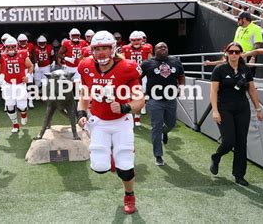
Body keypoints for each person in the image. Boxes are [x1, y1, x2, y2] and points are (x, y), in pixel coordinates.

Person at [77, 30, 144, 215]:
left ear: (113, 48)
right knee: (100, 167)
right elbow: (84, 93)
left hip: (121, 121)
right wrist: (81, 112)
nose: (101, 52)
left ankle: (129, 195)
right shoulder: (86, 66)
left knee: (125, 169)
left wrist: (125, 107)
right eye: (97, 48)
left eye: (105, 48)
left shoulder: (127, 67)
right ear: (92, 50)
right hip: (98, 121)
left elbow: (140, 101)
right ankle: (111, 157)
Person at [210, 42, 263, 186]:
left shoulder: (245, 69)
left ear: (240, 54)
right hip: (224, 108)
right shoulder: (219, 69)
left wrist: (258, 109)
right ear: (226, 52)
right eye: (231, 52)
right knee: (228, 142)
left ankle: (239, 174)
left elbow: (252, 90)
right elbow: (213, 91)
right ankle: (216, 157)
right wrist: (215, 110)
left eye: (237, 52)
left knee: (241, 142)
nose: (234, 54)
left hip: (242, 108)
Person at [140, 42, 185, 166]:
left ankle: (165, 132)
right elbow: (137, 76)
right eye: (160, 47)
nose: (163, 48)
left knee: (171, 124)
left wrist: (182, 87)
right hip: (154, 100)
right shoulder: (147, 63)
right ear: (155, 50)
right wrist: (139, 90)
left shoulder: (175, 61)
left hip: (171, 99)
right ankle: (158, 155)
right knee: (156, 127)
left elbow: (181, 75)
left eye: (165, 46)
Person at [0, 37, 34, 133]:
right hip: (8, 84)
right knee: (9, 105)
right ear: (5, 47)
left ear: (16, 46)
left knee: (21, 106)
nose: (11, 49)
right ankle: (15, 124)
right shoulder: (2, 56)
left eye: (13, 46)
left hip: (20, 84)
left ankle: (24, 115)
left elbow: (30, 66)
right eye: (9, 47)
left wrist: (28, 75)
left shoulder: (23, 53)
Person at [122, 31, 153, 126]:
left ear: (142, 40)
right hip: (129, 75)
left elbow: (150, 62)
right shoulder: (125, 48)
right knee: (127, 97)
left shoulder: (147, 48)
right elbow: (122, 62)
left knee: (139, 96)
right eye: (133, 40)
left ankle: (137, 118)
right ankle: (128, 117)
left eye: (138, 40)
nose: (136, 42)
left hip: (142, 75)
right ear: (130, 40)